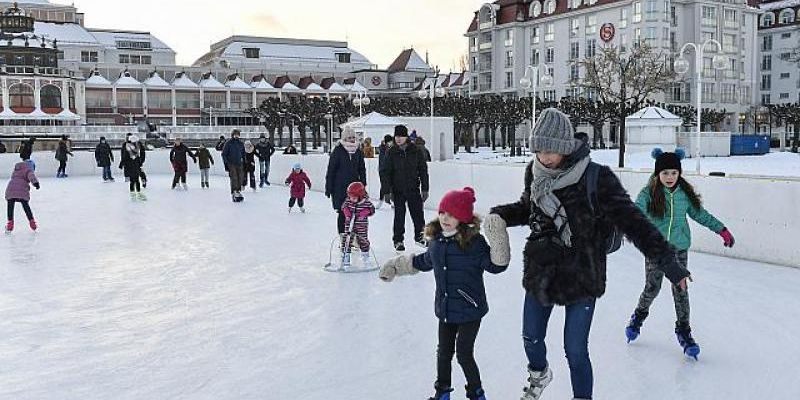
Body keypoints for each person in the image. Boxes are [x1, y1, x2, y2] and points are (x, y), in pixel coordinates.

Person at [485, 108, 691, 400]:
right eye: (539, 150)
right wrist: (500, 215)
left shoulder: (596, 178)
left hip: (582, 274)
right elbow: (528, 207)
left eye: (550, 150)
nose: (543, 157)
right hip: (541, 269)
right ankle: (539, 373)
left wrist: (669, 263)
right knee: (531, 338)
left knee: (576, 350)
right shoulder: (534, 172)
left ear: (565, 148)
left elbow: (633, 222)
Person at [379, 187, 508, 400]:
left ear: (463, 217)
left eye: (452, 214)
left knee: (464, 354)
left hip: (470, 309)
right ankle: (442, 392)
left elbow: (496, 266)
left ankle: (476, 393)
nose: (445, 218)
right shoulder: (437, 242)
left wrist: (499, 241)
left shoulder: (474, 243)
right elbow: (424, 262)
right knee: (444, 353)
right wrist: (396, 266)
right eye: (442, 212)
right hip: (446, 308)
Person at [625, 148, 736, 359]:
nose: (669, 177)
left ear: (679, 173)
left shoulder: (684, 194)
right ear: (658, 173)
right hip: (656, 249)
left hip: (679, 249)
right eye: (665, 173)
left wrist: (721, 229)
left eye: (674, 173)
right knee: (652, 287)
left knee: (681, 289)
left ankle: (684, 330)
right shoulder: (648, 193)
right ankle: (638, 316)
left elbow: (700, 214)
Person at [382, 125, 429, 251]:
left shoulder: (416, 151)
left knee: (418, 214)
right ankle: (398, 240)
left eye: (401, 136)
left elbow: (423, 170)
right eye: (396, 136)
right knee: (399, 216)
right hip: (397, 190)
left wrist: (425, 188)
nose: (398, 139)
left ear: (406, 137)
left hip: (413, 188)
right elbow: (385, 172)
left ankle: (420, 237)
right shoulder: (391, 152)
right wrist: (386, 191)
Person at [325, 126, 367, 235]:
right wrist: (328, 188)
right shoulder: (338, 151)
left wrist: (363, 183)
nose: (352, 139)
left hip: (355, 188)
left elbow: (361, 168)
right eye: (349, 137)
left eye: (353, 137)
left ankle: (353, 236)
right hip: (339, 188)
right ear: (344, 138)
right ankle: (342, 236)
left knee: (355, 213)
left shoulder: (357, 151)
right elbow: (331, 170)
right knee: (343, 212)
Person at [339, 181, 375, 270]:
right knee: (346, 239)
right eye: (350, 197)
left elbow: (372, 209)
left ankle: (365, 257)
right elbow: (344, 206)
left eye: (354, 198)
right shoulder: (348, 201)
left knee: (363, 240)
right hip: (349, 224)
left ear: (360, 196)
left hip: (361, 225)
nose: (351, 199)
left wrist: (365, 212)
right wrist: (347, 212)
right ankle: (345, 257)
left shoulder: (366, 202)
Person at [5, 157, 40, 232]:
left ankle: (10, 223)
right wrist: (36, 183)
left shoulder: (17, 169)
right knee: (25, 206)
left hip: (10, 189)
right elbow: (31, 176)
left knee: (10, 206)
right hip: (22, 190)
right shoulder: (28, 170)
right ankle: (32, 223)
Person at [222, 129, 246, 202]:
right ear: (232, 135)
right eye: (235, 134)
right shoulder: (228, 143)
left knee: (240, 177)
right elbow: (224, 154)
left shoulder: (241, 143)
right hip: (231, 163)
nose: (236, 136)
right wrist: (226, 163)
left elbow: (243, 153)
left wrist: (244, 161)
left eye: (238, 134)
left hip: (239, 162)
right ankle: (234, 191)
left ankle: (238, 190)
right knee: (234, 177)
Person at [120, 135, 146, 201]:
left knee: (136, 180)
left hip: (135, 166)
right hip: (131, 167)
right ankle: (133, 195)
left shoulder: (134, 148)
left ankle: (138, 194)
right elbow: (125, 157)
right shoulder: (128, 148)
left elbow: (138, 156)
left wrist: (140, 163)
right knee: (133, 181)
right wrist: (122, 164)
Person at [378, 134, 393, 204]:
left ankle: (393, 201)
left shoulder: (392, 148)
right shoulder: (383, 148)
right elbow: (382, 160)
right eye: (389, 142)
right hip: (383, 170)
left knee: (393, 186)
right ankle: (381, 200)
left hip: (391, 170)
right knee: (384, 185)